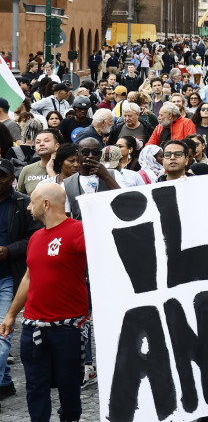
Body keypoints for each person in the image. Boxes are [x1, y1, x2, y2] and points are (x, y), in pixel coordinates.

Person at [1, 182, 89, 422]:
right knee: (35, 388)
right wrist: (11, 314)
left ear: (46, 204)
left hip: (68, 329)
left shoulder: (79, 231)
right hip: (32, 328)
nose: (29, 207)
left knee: (69, 388)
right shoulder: (36, 237)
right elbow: (29, 276)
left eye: (32, 202)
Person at [0, 158, 37, 404]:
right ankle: (3, 382)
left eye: (1, 176)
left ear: (11, 178)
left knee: (2, 333)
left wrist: (9, 250)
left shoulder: (23, 203)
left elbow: (35, 237)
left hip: (10, 276)